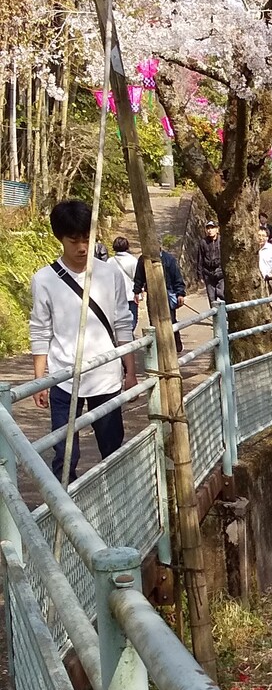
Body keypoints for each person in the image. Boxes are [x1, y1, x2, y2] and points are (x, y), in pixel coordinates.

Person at [29, 198, 136, 480]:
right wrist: (41, 380)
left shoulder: (109, 273)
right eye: (73, 240)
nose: (81, 247)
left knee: (112, 448)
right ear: (60, 239)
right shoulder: (44, 280)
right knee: (65, 455)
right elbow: (40, 330)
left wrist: (131, 371)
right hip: (63, 378)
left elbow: (123, 323)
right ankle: (64, 511)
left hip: (105, 375)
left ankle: (118, 504)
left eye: (86, 238)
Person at [133, 246, 186, 351]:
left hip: (168, 293)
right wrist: (137, 291)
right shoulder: (143, 259)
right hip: (152, 295)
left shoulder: (169, 259)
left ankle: (175, 345)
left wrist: (180, 293)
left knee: (171, 320)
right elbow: (139, 277)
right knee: (154, 321)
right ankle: (160, 346)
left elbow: (177, 277)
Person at [196, 218, 225, 307]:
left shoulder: (222, 240)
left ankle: (227, 316)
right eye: (208, 228)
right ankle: (216, 318)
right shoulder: (203, 242)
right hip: (208, 273)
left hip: (221, 273)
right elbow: (200, 259)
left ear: (217, 229)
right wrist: (200, 275)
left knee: (222, 294)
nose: (210, 230)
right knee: (212, 298)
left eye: (212, 228)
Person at [113, 235, 139, 328]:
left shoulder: (110, 261)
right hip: (130, 294)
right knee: (133, 319)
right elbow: (137, 278)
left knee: (118, 320)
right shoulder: (133, 260)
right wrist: (139, 292)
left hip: (115, 295)